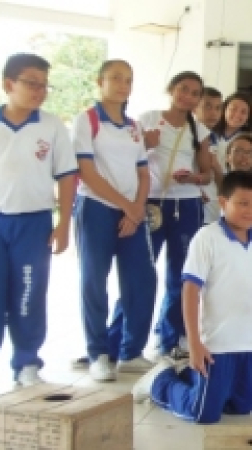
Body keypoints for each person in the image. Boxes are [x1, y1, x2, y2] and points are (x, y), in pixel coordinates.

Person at [131, 171, 252, 424]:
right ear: (223, 202)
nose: (250, 211)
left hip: (251, 344)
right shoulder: (207, 238)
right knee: (204, 413)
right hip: (217, 345)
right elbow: (190, 290)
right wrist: (195, 344)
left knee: (244, 407)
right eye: (242, 203)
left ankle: (190, 375)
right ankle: (160, 381)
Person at [73, 59, 157, 381]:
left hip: (132, 212)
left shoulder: (133, 126)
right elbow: (87, 173)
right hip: (96, 208)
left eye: (129, 80)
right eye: (116, 78)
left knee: (142, 279)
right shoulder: (87, 120)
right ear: (100, 82)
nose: (123, 85)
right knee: (94, 280)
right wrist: (127, 206)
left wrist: (136, 208)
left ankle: (131, 351)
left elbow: (143, 172)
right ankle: (98, 353)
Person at [0, 53, 77, 386]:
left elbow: (66, 177)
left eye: (45, 85)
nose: (40, 91)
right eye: (32, 83)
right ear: (8, 84)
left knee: (29, 294)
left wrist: (63, 224)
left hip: (34, 223)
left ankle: (27, 363)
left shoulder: (51, 125)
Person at [140, 71, 213, 358]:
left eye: (195, 93)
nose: (188, 97)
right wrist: (145, 142)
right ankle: (122, 342)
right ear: (171, 89)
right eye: (184, 89)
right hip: (151, 203)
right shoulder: (147, 119)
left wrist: (192, 178)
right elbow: (130, 156)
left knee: (180, 275)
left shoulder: (200, 131)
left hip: (186, 205)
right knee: (141, 274)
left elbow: (207, 175)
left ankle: (170, 339)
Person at [194, 87, 224, 224]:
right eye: (208, 107)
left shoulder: (218, 139)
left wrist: (217, 169)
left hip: (213, 207)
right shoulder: (189, 136)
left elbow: (219, 179)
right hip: (193, 202)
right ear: (195, 107)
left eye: (218, 108)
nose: (214, 113)